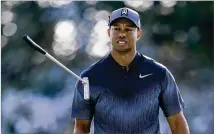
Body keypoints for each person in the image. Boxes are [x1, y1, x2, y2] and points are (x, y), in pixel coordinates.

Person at [71, 7, 189, 134]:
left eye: (128, 29)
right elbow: (81, 128)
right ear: (108, 33)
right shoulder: (89, 78)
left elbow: (177, 124)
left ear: (138, 33)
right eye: (116, 29)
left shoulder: (159, 74)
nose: (122, 34)